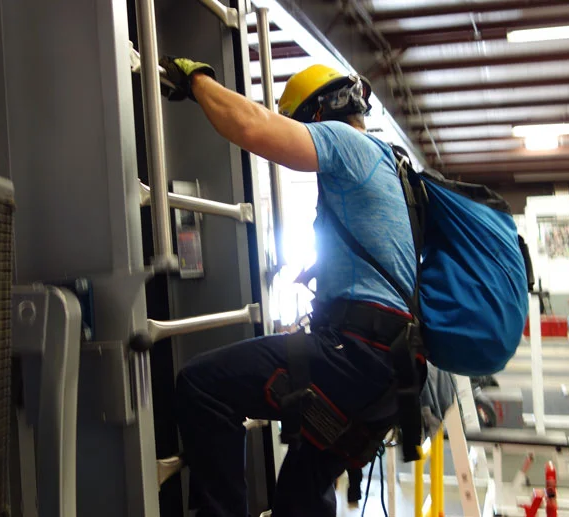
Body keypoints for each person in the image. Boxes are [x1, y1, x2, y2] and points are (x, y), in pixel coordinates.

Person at [160, 57, 420, 517]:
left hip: (356, 358)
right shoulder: (390, 163)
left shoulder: (343, 140)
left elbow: (251, 125)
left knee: (203, 386)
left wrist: (197, 80)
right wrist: (324, 271)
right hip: (392, 375)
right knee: (302, 493)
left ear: (317, 114)